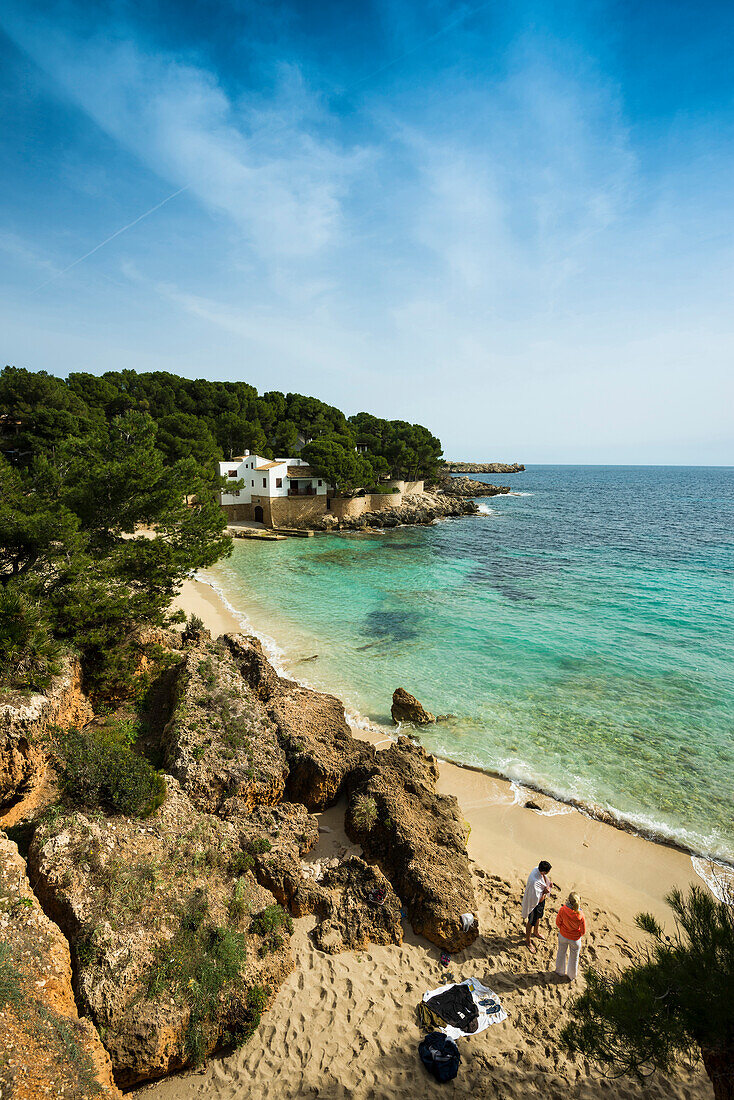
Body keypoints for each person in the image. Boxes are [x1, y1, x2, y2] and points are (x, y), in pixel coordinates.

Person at [522, 860, 553, 952]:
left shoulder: (537, 870)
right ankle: (528, 941)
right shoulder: (534, 882)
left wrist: (548, 885)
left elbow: (543, 881)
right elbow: (537, 899)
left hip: (540, 903)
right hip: (534, 905)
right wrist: (545, 891)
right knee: (531, 921)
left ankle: (536, 932)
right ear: (543, 871)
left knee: (538, 917)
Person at [555, 891, 586, 980]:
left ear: (569, 900)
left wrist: (563, 929)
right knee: (574, 958)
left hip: (563, 935)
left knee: (561, 953)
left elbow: (558, 922)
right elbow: (583, 931)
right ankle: (571, 975)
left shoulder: (562, 910)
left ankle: (560, 971)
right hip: (575, 939)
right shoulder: (581, 915)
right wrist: (577, 934)